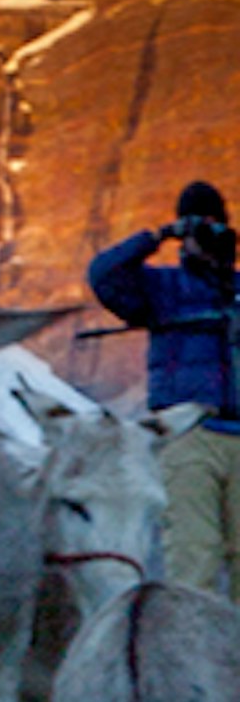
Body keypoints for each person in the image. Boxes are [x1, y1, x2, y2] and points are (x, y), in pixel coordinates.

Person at [88, 178, 240, 597]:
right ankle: (194, 653)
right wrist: (156, 236)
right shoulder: (161, 287)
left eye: (216, 226)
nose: (207, 237)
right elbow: (102, 275)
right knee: (195, 553)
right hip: (188, 434)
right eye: (197, 228)